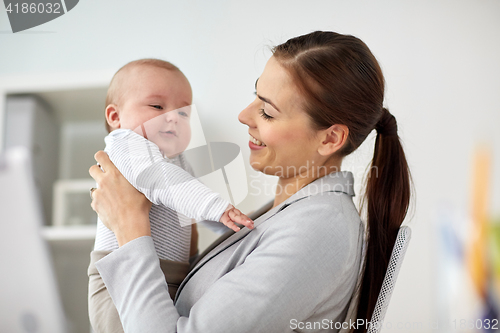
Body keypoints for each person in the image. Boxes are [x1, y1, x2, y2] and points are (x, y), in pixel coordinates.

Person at [89, 31, 412, 333]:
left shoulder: (317, 229)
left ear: (330, 139)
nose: (244, 115)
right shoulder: (286, 216)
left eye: (267, 112)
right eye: (254, 97)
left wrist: (129, 223)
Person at [88, 59, 253, 333]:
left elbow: (188, 198)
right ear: (115, 117)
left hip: (169, 274)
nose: (173, 117)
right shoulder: (127, 145)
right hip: (119, 278)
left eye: (184, 113)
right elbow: (158, 180)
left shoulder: (175, 161)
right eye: (157, 106)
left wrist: (223, 222)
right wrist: (217, 207)